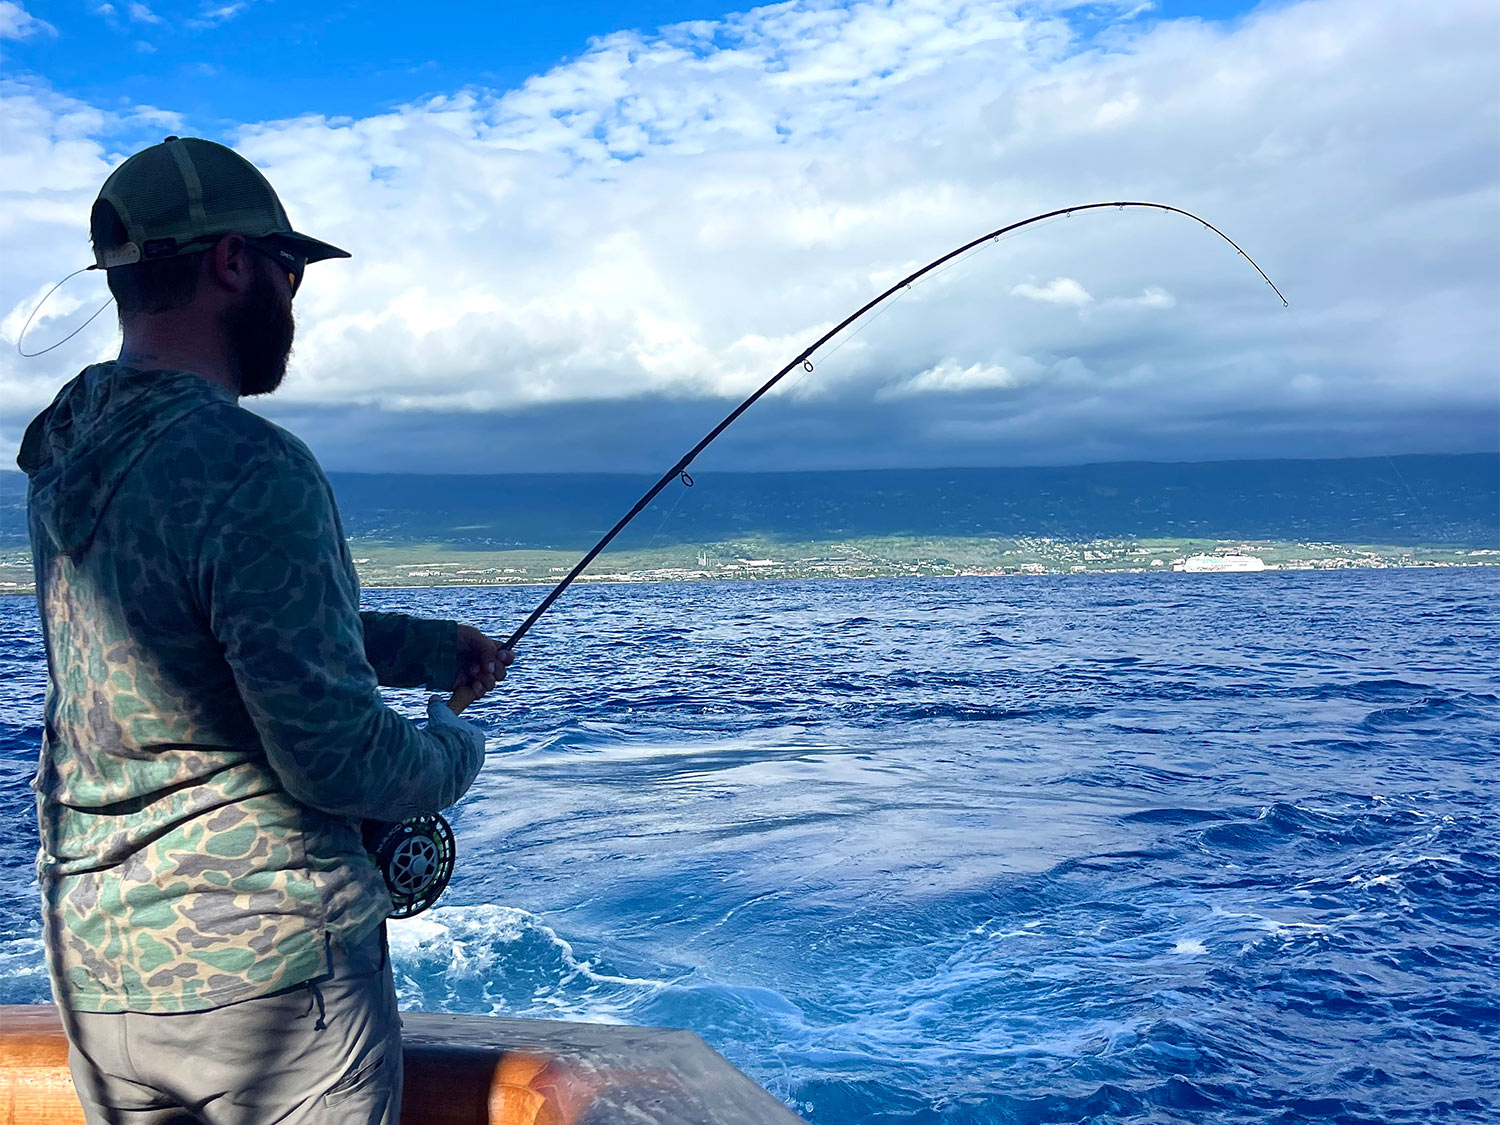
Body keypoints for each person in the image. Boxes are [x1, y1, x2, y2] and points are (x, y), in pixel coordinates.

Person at [16, 135, 511, 1124]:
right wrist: (453, 748)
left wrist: (419, 646)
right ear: (234, 262)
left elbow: (213, 623)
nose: (295, 300)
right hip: (266, 982)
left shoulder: (67, 450)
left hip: (100, 970)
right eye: (290, 272)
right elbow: (338, 759)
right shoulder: (251, 464)